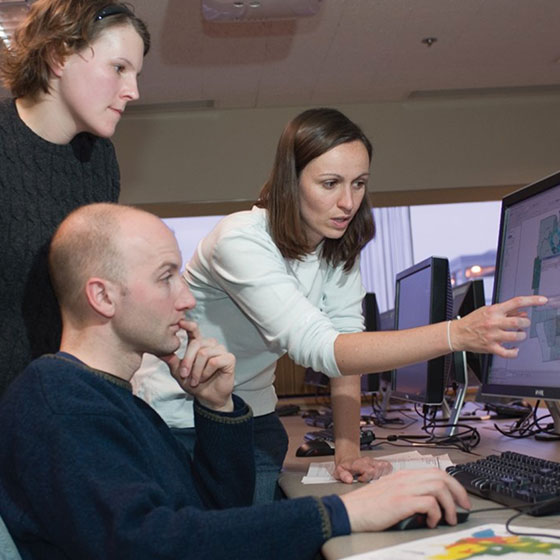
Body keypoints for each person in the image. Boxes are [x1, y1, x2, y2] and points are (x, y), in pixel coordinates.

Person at [0, 202, 472, 560]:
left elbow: (214, 514)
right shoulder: (59, 401)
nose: (186, 298)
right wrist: (346, 511)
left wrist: (216, 408)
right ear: (102, 296)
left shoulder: (114, 398)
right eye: (167, 277)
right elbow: (146, 545)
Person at [132, 108, 548, 503]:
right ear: (290, 183)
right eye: (330, 183)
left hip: (254, 415)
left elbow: (345, 346)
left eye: (359, 183)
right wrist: (456, 333)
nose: (348, 202)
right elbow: (318, 347)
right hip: (181, 418)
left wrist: (347, 450)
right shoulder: (241, 240)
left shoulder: (336, 246)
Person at [0, 0, 150, 396]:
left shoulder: (99, 161)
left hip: (59, 401)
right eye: (119, 68)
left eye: (135, 74)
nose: (133, 91)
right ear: (58, 56)